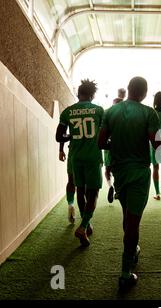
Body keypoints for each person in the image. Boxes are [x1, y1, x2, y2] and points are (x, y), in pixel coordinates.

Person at [98, 77, 161, 292]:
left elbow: (101, 143)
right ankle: (125, 272)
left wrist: (116, 145)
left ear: (129, 90)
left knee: (127, 216)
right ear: (144, 93)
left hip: (120, 172)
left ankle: (133, 251)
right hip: (139, 173)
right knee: (133, 221)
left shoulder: (110, 112)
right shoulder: (148, 113)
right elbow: (155, 142)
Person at [56, 79, 105, 247]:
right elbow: (105, 135)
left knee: (80, 190)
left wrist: (71, 137)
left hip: (76, 157)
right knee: (93, 194)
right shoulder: (99, 111)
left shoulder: (68, 112)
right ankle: (83, 225)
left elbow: (58, 137)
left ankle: (86, 223)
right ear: (92, 95)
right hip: (93, 157)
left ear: (78, 94)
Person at [104, 88, 127, 203]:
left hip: (108, 146)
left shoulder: (107, 114)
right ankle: (118, 190)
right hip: (121, 147)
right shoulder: (126, 116)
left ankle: (110, 186)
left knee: (108, 170)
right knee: (119, 169)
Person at [59, 142, 76, 224]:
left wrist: (61, 150)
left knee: (71, 180)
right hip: (89, 149)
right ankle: (85, 218)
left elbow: (61, 133)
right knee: (86, 184)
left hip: (73, 149)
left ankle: (71, 204)